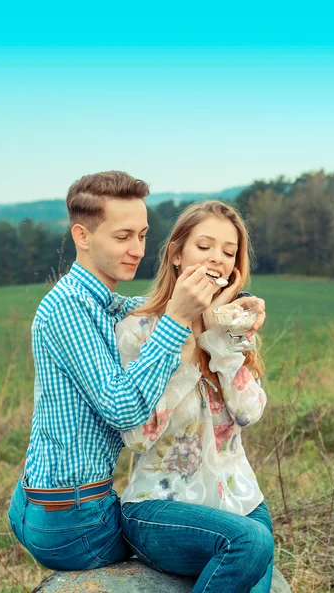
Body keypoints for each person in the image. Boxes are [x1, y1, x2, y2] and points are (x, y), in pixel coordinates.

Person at [7, 172, 265, 572]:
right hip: (75, 519)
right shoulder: (67, 309)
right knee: (241, 549)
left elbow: (146, 308)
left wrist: (235, 305)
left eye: (143, 236)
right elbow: (127, 413)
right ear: (83, 236)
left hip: (55, 502)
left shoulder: (100, 302)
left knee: (250, 548)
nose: (137, 249)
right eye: (123, 236)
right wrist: (179, 318)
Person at [116, 200, 273, 593]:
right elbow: (138, 435)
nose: (216, 259)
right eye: (204, 246)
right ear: (175, 254)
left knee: (253, 540)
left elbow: (249, 411)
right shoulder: (136, 331)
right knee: (249, 544)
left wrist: (220, 335)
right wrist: (183, 330)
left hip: (243, 504)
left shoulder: (232, 327)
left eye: (228, 251)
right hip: (160, 507)